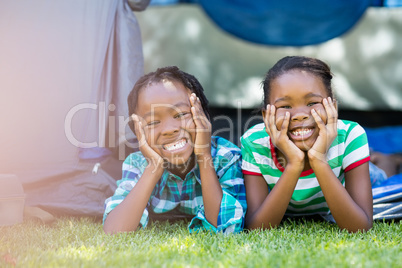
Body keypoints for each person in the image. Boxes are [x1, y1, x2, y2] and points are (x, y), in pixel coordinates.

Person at [103, 66, 247, 234]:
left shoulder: (226, 158)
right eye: (152, 122)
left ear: (204, 116)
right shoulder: (138, 163)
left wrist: (204, 155)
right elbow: (115, 231)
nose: (169, 129)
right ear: (138, 131)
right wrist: (153, 169)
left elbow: (227, 227)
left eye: (180, 115)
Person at [241, 56, 373, 232]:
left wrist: (318, 159)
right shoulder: (255, 143)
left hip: (357, 177)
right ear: (266, 117)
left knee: (378, 173)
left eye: (312, 103)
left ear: (332, 107)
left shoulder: (350, 136)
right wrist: (294, 163)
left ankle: (387, 160)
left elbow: (360, 227)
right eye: (285, 106)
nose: (300, 115)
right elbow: (256, 229)